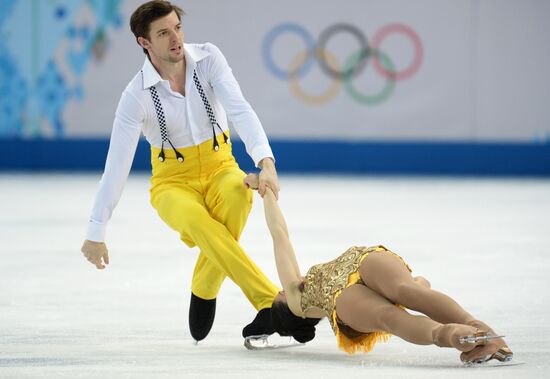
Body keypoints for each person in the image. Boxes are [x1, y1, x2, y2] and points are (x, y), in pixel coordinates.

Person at [80, 0, 280, 342]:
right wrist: (96, 230)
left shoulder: (209, 59)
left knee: (237, 198)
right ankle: (273, 302)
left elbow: (240, 109)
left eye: (177, 28)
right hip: (172, 183)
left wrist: (266, 162)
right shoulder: (135, 97)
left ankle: (204, 286)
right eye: (163, 33)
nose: (176, 38)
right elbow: (116, 167)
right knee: (201, 223)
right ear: (145, 43)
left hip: (221, 166)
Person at [243, 173, 513, 364]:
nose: (280, 289)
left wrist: (419, 283)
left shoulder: (300, 297)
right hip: (346, 289)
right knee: (399, 304)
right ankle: (467, 331)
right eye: (278, 295)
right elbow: (279, 235)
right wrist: (263, 191)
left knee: (400, 302)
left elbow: (281, 236)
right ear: (286, 308)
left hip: (355, 274)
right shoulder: (295, 300)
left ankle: (460, 333)